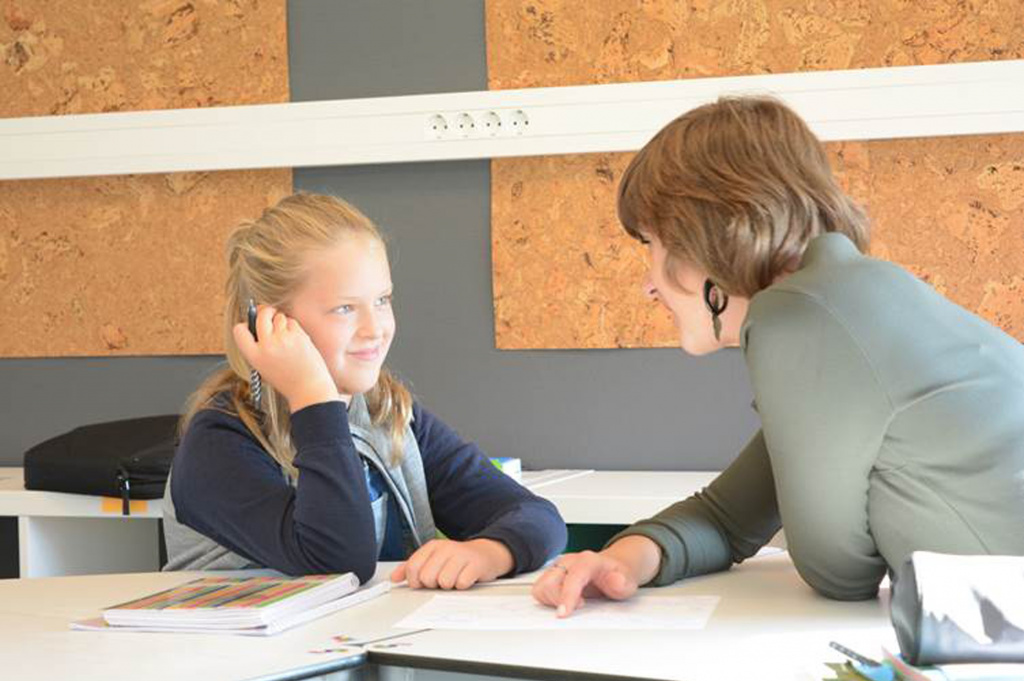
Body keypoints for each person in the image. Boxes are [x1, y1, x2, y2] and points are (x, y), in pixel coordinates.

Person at [533, 96, 1024, 616]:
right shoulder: (844, 304)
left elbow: (837, 571)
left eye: (651, 243)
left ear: (700, 232)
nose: (648, 287)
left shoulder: (801, 318)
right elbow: (726, 517)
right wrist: (623, 562)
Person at [163, 192, 566, 587]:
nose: (375, 329)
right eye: (344, 308)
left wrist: (489, 552)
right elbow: (336, 559)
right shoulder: (217, 444)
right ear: (267, 322)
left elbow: (536, 516)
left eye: (382, 300)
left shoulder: (388, 415)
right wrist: (313, 398)